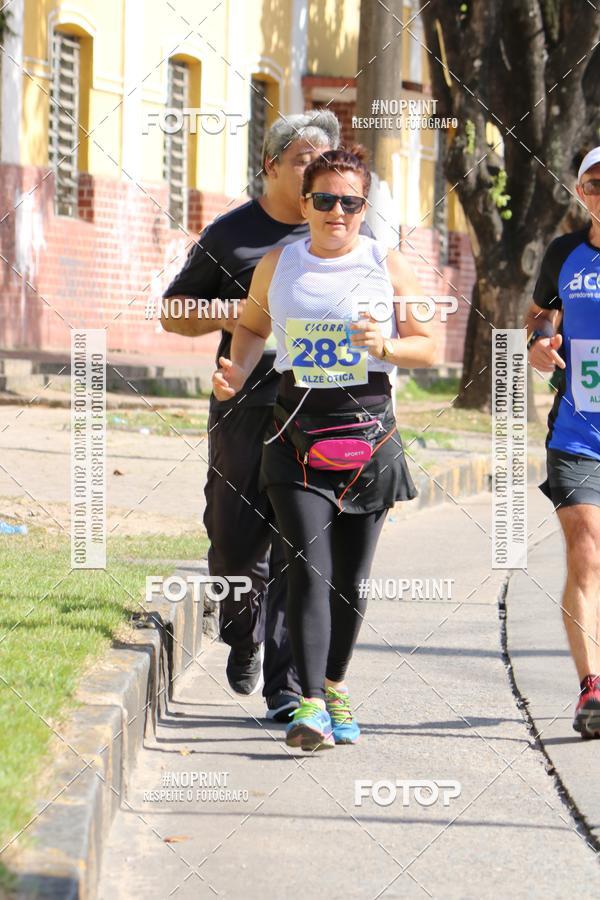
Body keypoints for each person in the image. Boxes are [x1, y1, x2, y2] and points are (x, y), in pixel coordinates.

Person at [212, 145, 436, 750]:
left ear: (364, 207)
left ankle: (335, 685)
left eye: (351, 202)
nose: (337, 211)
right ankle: (310, 705)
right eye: (325, 199)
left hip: (368, 438)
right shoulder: (279, 264)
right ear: (306, 204)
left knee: (351, 583)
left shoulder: (386, 264)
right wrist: (237, 371)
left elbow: (428, 345)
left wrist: (386, 347)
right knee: (309, 569)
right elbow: (252, 327)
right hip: (295, 436)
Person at [162, 110, 373, 722]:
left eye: (326, 165)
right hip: (244, 403)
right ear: (272, 166)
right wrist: (241, 312)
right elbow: (174, 311)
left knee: (298, 547)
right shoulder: (234, 235)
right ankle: (241, 631)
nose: (322, 184)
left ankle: (287, 687)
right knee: (233, 542)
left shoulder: (344, 232)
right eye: (305, 161)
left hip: (317, 414)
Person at [526, 145, 600, 739]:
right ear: (580, 191)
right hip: (578, 431)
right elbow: (540, 313)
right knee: (587, 550)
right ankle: (592, 688)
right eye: (594, 182)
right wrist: (540, 340)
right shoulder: (564, 254)